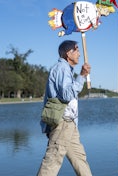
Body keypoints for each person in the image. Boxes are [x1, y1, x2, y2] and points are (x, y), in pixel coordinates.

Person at [37, 40, 92, 176]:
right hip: (63, 122)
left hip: (69, 123)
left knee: (80, 160)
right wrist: (82, 76)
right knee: (52, 161)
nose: (80, 53)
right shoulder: (62, 68)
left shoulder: (66, 70)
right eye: (77, 50)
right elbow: (66, 95)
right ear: (69, 53)